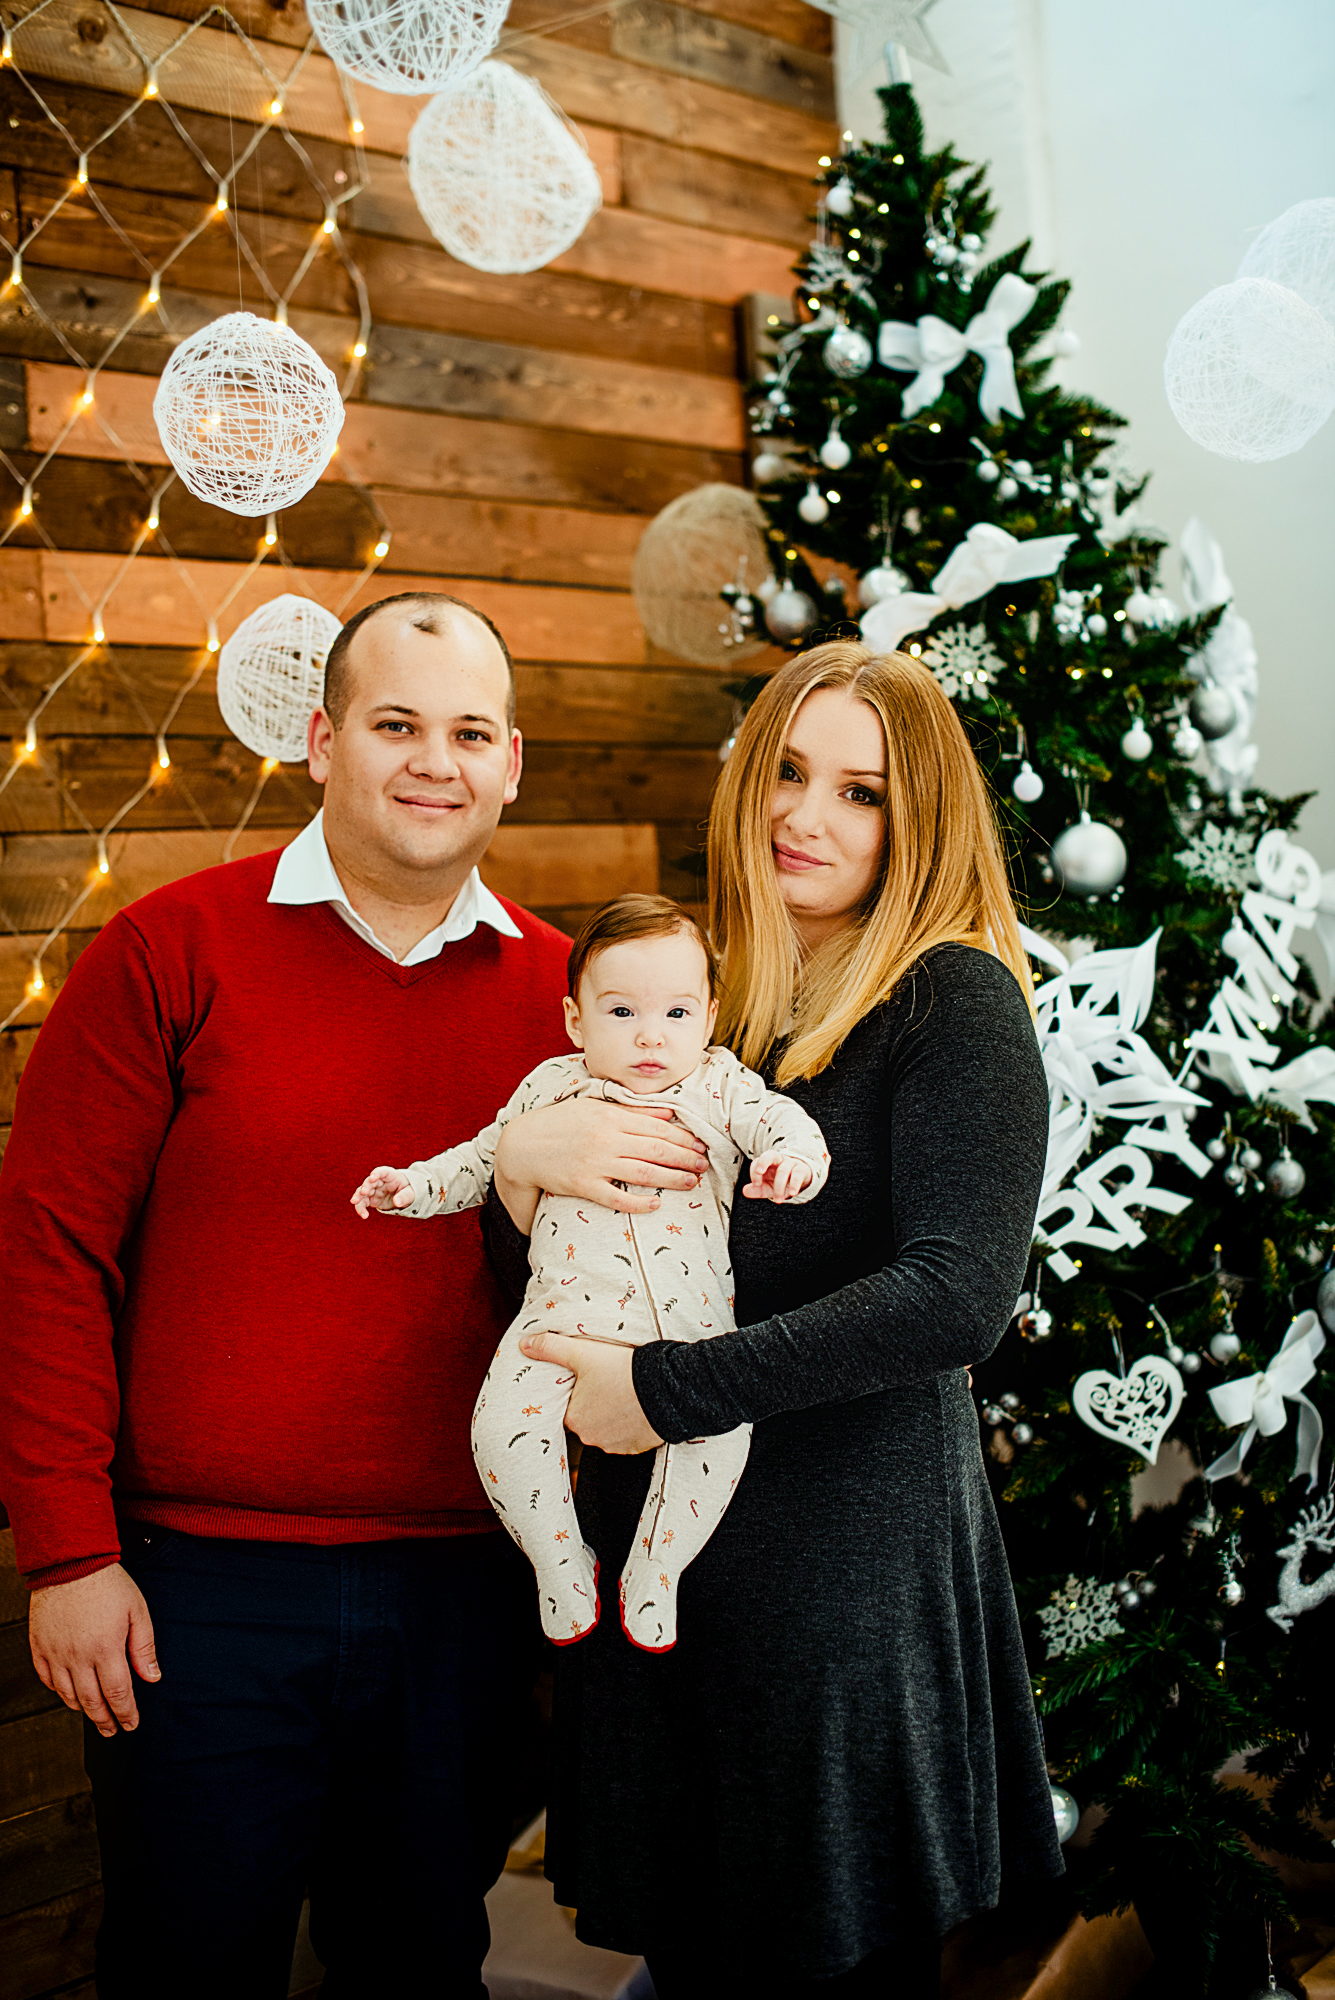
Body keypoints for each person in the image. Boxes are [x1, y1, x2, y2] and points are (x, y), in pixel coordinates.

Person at [0, 590, 706, 1998]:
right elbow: (47, 1250)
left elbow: (658, 1274)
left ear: (511, 763)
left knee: (417, 1968)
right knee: (185, 1970)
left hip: (465, 1592)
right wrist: (70, 1553)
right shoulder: (168, 954)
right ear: (321, 740)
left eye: (467, 732)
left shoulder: (581, 1003)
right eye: (394, 724)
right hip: (196, 1594)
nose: (431, 762)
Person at [482, 643, 1065, 1997]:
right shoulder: (703, 1004)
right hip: (684, 1600)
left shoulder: (946, 999)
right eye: (788, 773)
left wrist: (665, 1391)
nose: (807, 816)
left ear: (917, 818)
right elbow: (566, 1250)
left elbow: (955, 1294)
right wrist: (520, 1173)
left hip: (834, 1614)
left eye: (859, 793)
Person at [351, 893, 829, 1653]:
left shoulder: (719, 1085)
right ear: (576, 1020)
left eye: (676, 1014)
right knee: (499, 1434)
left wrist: (792, 1160)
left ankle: (657, 1568)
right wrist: (411, 1187)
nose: (649, 1035)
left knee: (719, 1438)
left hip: (689, 1330)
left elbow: (781, 1120)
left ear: (708, 1018)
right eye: (620, 1013)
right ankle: (560, 1559)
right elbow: (483, 1157)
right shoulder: (550, 1086)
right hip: (557, 1324)